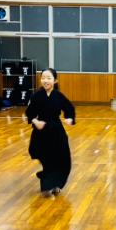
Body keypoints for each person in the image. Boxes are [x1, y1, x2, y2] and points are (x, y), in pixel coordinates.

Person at [25, 68, 75, 197]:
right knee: (46, 158)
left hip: (56, 130)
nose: (45, 81)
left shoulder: (59, 96)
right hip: (41, 132)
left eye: (49, 78)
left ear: (55, 80)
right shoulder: (37, 96)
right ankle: (48, 183)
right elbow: (29, 113)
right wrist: (35, 121)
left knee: (63, 158)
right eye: (43, 78)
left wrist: (69, 118)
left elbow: (69, 108)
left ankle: (56, 183)